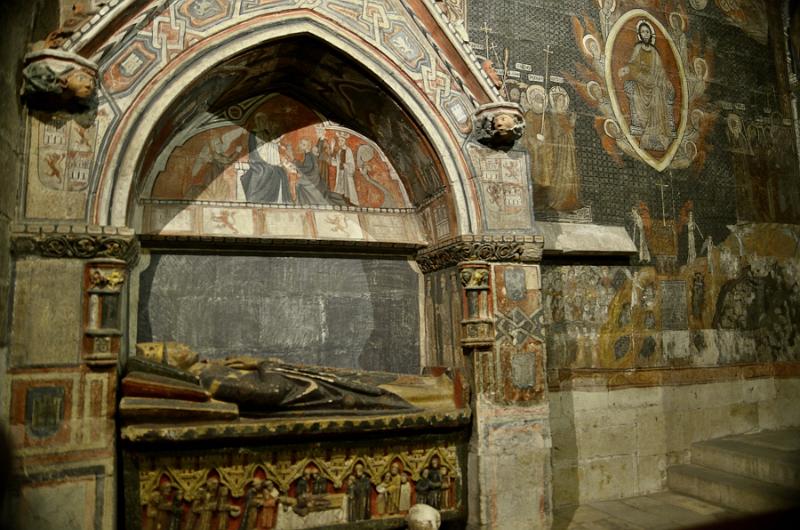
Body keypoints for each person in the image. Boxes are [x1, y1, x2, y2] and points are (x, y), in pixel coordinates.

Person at [618, 20, 677, 151]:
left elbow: (660, 71)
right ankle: (651, 134)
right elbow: (633, 65)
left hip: (654, 82)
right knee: (655, 91)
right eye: (643, 32)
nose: (645, 34)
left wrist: (665, 81)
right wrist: (640, 75)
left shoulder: (654, 52)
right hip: (641, 82)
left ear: (651, 34)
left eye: (647, 32)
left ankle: (656, 135)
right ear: (640, 34)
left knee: (657, 91)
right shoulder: (638, 48)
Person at [240, 114, 291, 204]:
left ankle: (272, 199)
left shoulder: (267, 132)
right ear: (257, 122)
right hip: (257, 159)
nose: (263, 123)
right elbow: (253, 149)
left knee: (279, 171)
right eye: (261, 121)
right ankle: (256, 198)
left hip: (267, 157)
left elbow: (271, 142)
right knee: (264, 170)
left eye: (264, 120)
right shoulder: (253, 133)